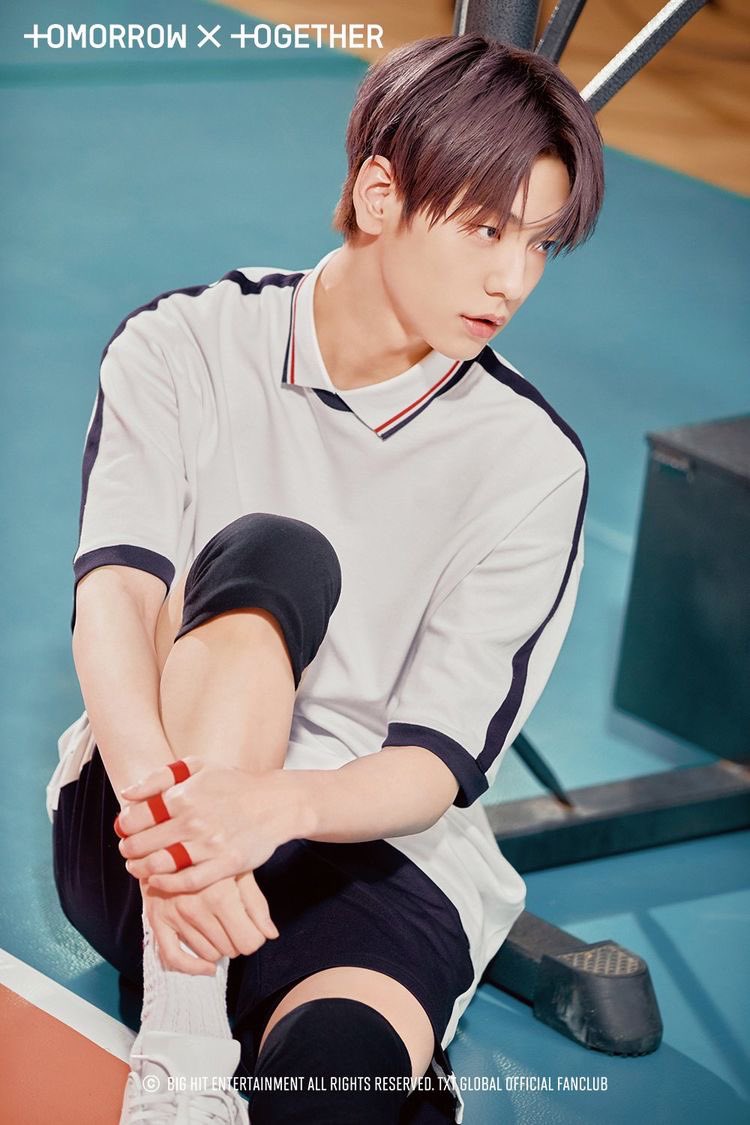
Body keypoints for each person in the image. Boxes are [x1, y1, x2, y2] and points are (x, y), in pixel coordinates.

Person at [47, 33, 604, 1125]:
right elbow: (114, 600)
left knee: (335, 1084)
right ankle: (184, 1039)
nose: (513, 280)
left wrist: (273, 808)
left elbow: (434, 764)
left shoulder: (532, 463)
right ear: (381, 194)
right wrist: (177, 826)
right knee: (275, 553)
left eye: (539, 244)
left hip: (366, 849)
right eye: (488, 230)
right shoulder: (185, 345)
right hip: (141, 821)